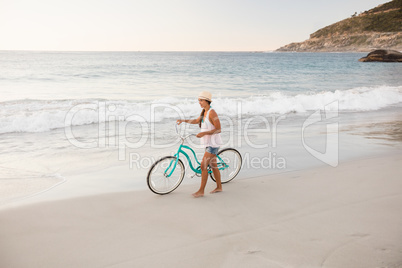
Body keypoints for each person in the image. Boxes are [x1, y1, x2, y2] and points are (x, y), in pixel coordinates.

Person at [177, 91, 223, 197]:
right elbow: (196, 121)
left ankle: (201, 191)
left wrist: (204, 133)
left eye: (201, 100)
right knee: (213, 165)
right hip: (208, 143)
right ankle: (219, 187)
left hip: (213, 144)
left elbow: (218, 129)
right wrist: (183, 120)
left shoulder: (212, 112)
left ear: (207, 101)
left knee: (203, 166)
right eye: (199, 100)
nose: (199, 102)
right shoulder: (204, 111)